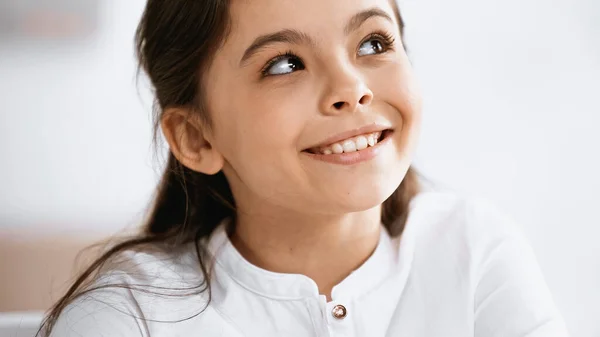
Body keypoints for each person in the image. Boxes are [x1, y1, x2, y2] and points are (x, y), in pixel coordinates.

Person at [39, 0, 569, 336]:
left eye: (372, 43)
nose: (350, 89)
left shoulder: (472, 250)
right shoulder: (127, 316)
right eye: (284, 64)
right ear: (197, 137)